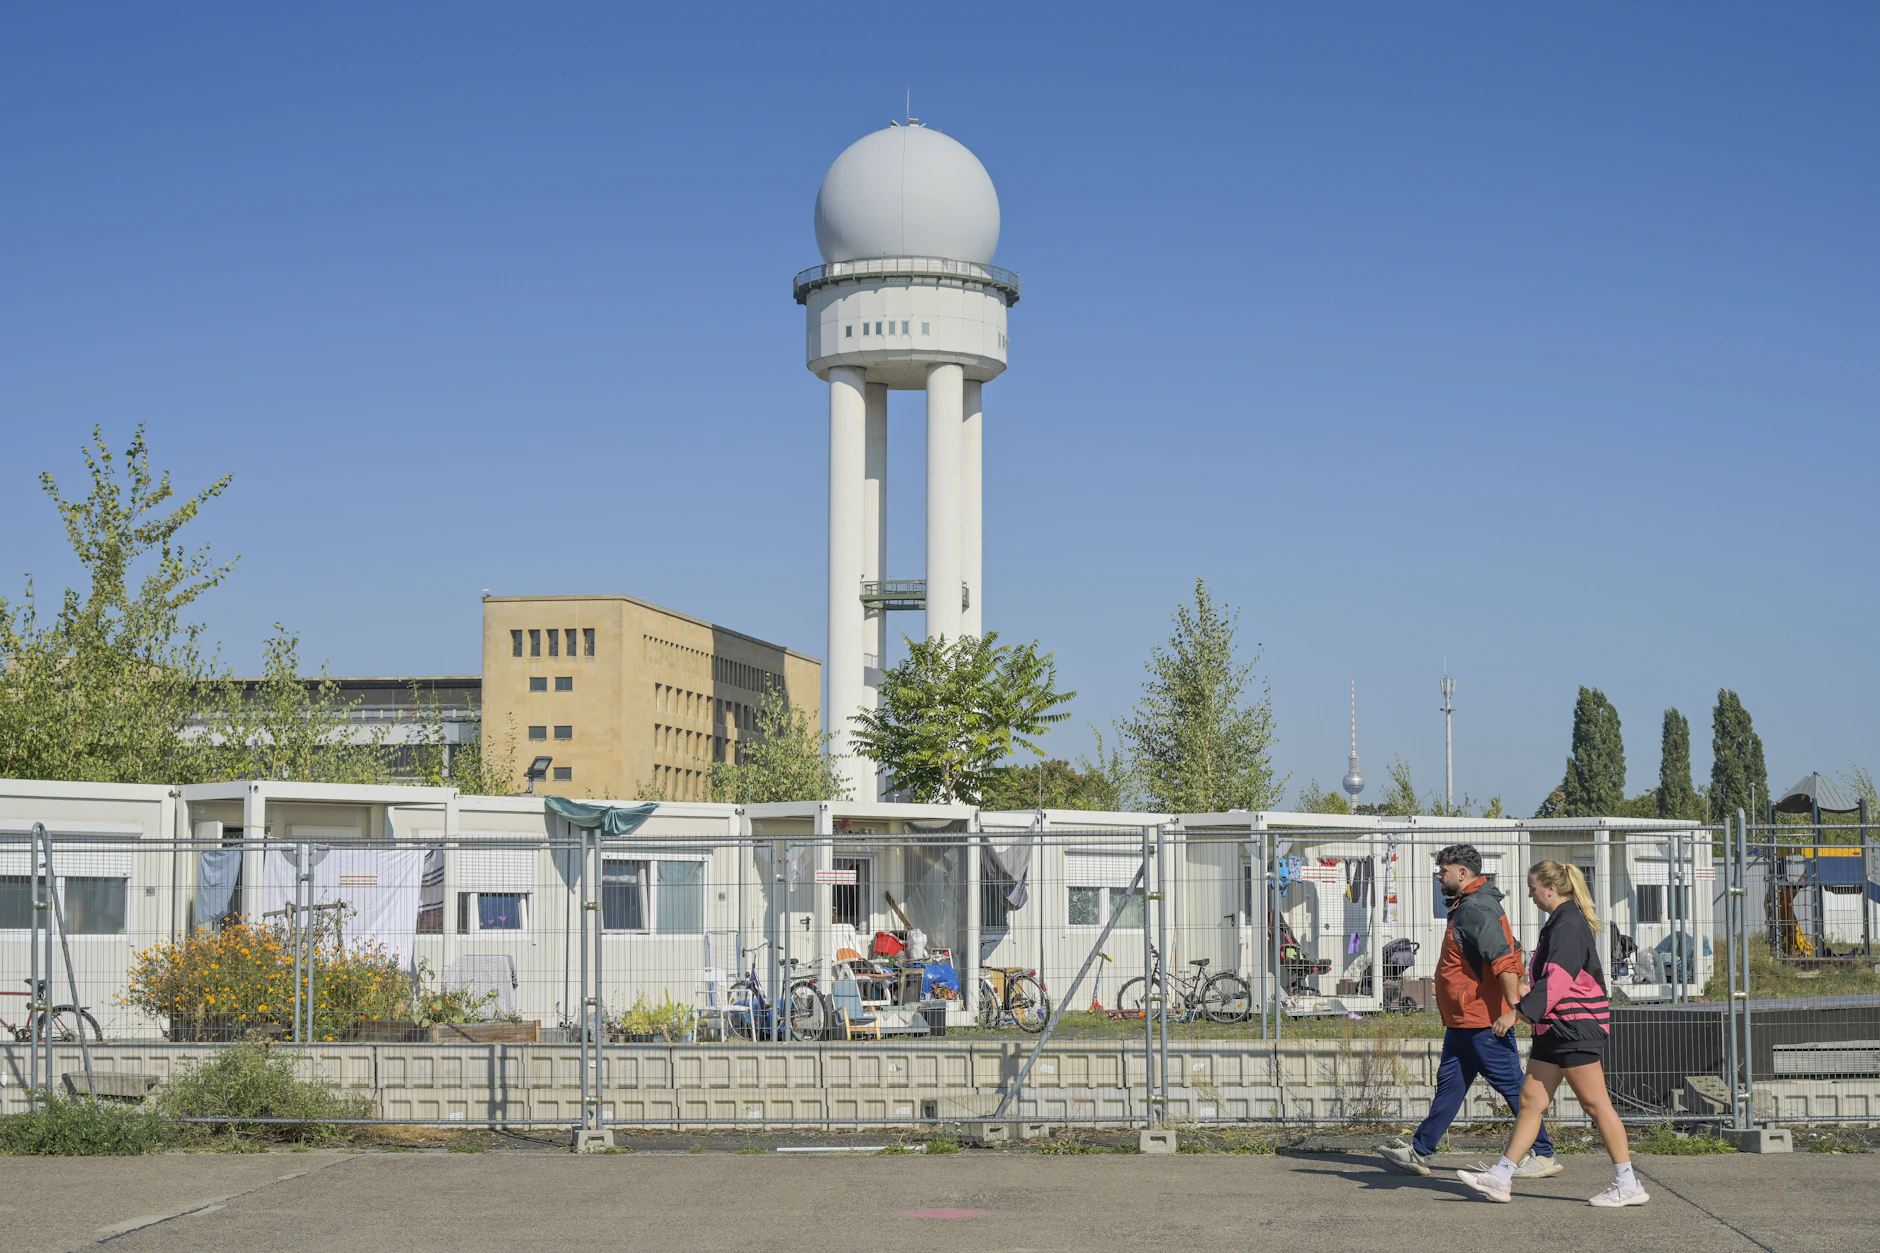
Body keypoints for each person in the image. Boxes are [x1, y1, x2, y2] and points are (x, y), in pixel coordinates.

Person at [1457, 861, 1645, 1207]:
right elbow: (1552, 979)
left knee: (1596, 1104)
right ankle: (1501, 1176)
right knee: (1531, 1101)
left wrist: (1519, 1012)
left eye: (1532, 888)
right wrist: (1529, 992)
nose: (1529, 894)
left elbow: (1558, 982)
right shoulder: (1558, 922)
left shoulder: (1568, 924)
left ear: (1550, 888)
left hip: (1575, 1027)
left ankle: (1628, 1183)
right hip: (1555, 1027)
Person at [1378, 844, 1558, 1178]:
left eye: (1443, 870)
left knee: (1513, 1086)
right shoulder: (1471, 905)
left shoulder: (1475, 908)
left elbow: (1504, 959)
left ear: (1462, 873)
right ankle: (1419, 1150)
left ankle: (1544, 1152)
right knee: (1450, 1085)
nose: (1438, 875)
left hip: (1480, 1021)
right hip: (1463, 1021)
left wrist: (1515, 1007)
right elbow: (1513, 948)